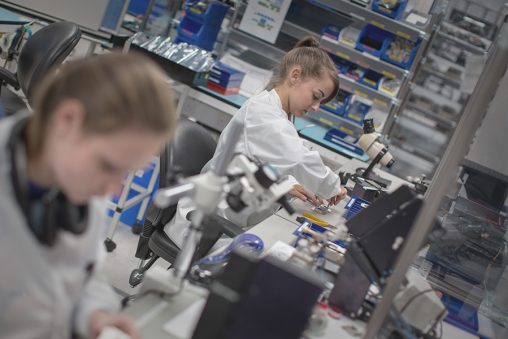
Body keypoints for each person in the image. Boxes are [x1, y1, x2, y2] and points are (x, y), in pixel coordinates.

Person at [0, 53, 177, 338]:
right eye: (109, 166)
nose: (112, 189)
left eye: (124, 173)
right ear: (67, 120)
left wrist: (96, 315)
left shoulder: (76, 180)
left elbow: (83, 272)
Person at [166, 36, 347, 247]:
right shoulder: (263, 114)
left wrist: (285, 183)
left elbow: (261, 163)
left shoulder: (274, 111)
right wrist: (334, 186)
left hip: (231, 213)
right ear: (295, 76)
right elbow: (297, 158)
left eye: (321, 102)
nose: (316, 107)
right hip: (208, 223)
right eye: (316, 96)